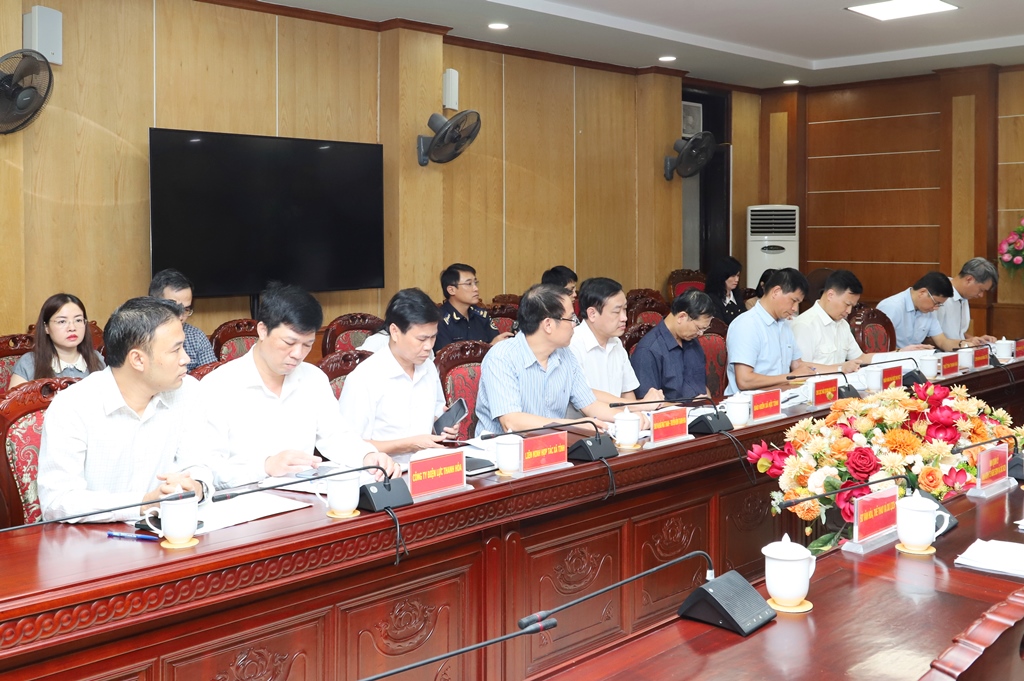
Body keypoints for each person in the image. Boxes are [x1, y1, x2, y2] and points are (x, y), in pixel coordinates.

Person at [197, 283, 399, 489]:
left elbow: (336, 436)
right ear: (263, 330)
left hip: (305, 497)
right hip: (243, 500)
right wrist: (265, 466)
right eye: (289, 343)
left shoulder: (313, 379)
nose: (298, 354)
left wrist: (367, 456)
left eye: (307, 345)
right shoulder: (218, 386)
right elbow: (209, 469)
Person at [37, 297, 212, 522]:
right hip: (91, 538)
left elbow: (198, 464)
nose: (186, 359)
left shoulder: (188, 390)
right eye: (176, 350)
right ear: (137, 359)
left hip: (168, 531)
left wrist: (196, 486)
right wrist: (143, 503)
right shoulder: (72, 407)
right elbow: (58, 501)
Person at [475, 283, 644, 436]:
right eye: (571, 318)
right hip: (501, 453)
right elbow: (511, 422)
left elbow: (591, 405)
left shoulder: (565, 355)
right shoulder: (502, 357)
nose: (575, 324)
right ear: (548, 325)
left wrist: (630, 418)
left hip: (552, 448)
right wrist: (572, 425)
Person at [339, 289, 458, 454]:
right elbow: (348, 446)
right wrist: (408, 445)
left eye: (433, 337)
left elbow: (435, 414)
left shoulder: (428, 367)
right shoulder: (365, 378)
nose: (429, 346)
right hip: (384, 468)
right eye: (422, 339)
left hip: (426, 464)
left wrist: (443, 425)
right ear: (395, 332)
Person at [725, 268, 848, 395]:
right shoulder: (747, 325)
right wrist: (790, 377)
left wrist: (840, 368)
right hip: (749, 402)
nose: (795, 309)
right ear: (776, 292)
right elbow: (744, 380)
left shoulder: (784, 325)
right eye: (794, 301)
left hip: (781, 398)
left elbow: (798, 365)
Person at [569, 277, 663, 407]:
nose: (624, 318)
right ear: (592, 314)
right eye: (616, 312)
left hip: (618, 417)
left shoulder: (616, 343)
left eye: (625, 309)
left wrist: (636, 410)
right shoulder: (572, 344)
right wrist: (640, 405)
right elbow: (586, 394)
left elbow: (627, 392)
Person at [630, 289, 713, 401]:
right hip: (672, 411)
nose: (700, 334)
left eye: (704, 329)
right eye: (698, 328)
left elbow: (701, 385)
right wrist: (690, 404)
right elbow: (647, 404)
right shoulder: (648, 350)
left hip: (700, 408)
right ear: (681, 317)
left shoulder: (691, 339)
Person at [9, 293, 105, 389]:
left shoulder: (97, 360)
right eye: (62, 321)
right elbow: (14, 399)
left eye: (78, 320)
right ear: (46, 327)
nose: (72, 328)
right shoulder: (29, 363)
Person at [790, 270, 873, 370]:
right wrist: (840, 368)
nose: (849, 311)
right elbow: (801, 368)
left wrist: (889, 357)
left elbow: (860, 358)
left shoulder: (843, 324)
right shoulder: (805, 325)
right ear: (830, 295)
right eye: (847, 304)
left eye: (852, 306)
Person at [148, 269, 217, 372]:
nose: (180, 316)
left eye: (186, 309)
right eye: (174, 308)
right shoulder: (138, 337)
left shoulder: (196, 337)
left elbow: (212, 376)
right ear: (154, 304)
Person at [434, 263, 512, 352]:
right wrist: (490, 348)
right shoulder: (439, 320)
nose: (476, 288)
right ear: (451, 290)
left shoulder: (481, 315)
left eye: (475, 283)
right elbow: (444, 357)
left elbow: (497, 342)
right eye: (469, 284)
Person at [876, 272, 963, 351]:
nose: (936, 308)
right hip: (892, 360)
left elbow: (942, 342)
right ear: (922, 292)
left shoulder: (928, 310)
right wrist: (902, 352)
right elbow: (877, 348)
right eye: (936, 303)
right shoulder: (891, 307)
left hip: (914, 359)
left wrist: (963, 345)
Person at [933, 257, 999, 346]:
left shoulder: (964, 296)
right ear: (969, 280)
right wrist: (962, 343)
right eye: (981, 290)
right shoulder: (939, 295)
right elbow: (928, 337)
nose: (981, 295)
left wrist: (974, 339)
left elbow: (958, 333)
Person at [705, 256, 744, 324]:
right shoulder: (712, 299)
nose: (737, 280)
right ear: (722, 276)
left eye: (738, 275)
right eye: (733, 276)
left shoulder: (738, 296)